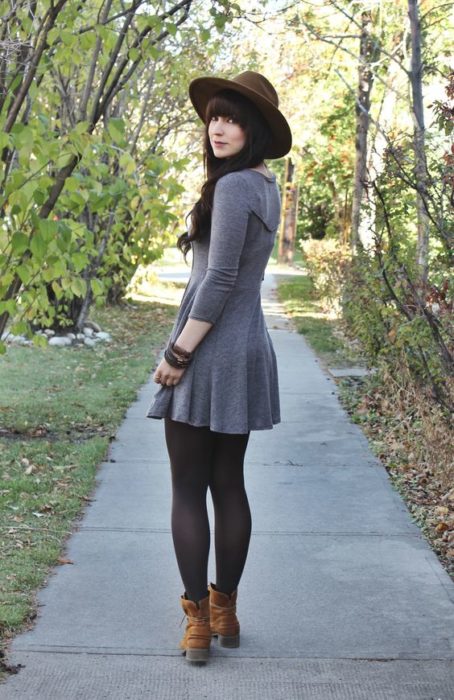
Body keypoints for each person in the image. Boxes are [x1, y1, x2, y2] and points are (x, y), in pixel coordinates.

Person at [146, 71, 292, 664]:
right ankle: (224, 607)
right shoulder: (265, 185)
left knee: (188, 487)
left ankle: (198, 622)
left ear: (254, 128)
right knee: (228, 483)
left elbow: (220, 280)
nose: (219, 127)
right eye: (214, 117)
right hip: (247, 346)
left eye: (232, 118)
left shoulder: (232, 190)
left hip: (209, 349)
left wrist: (179, 352)